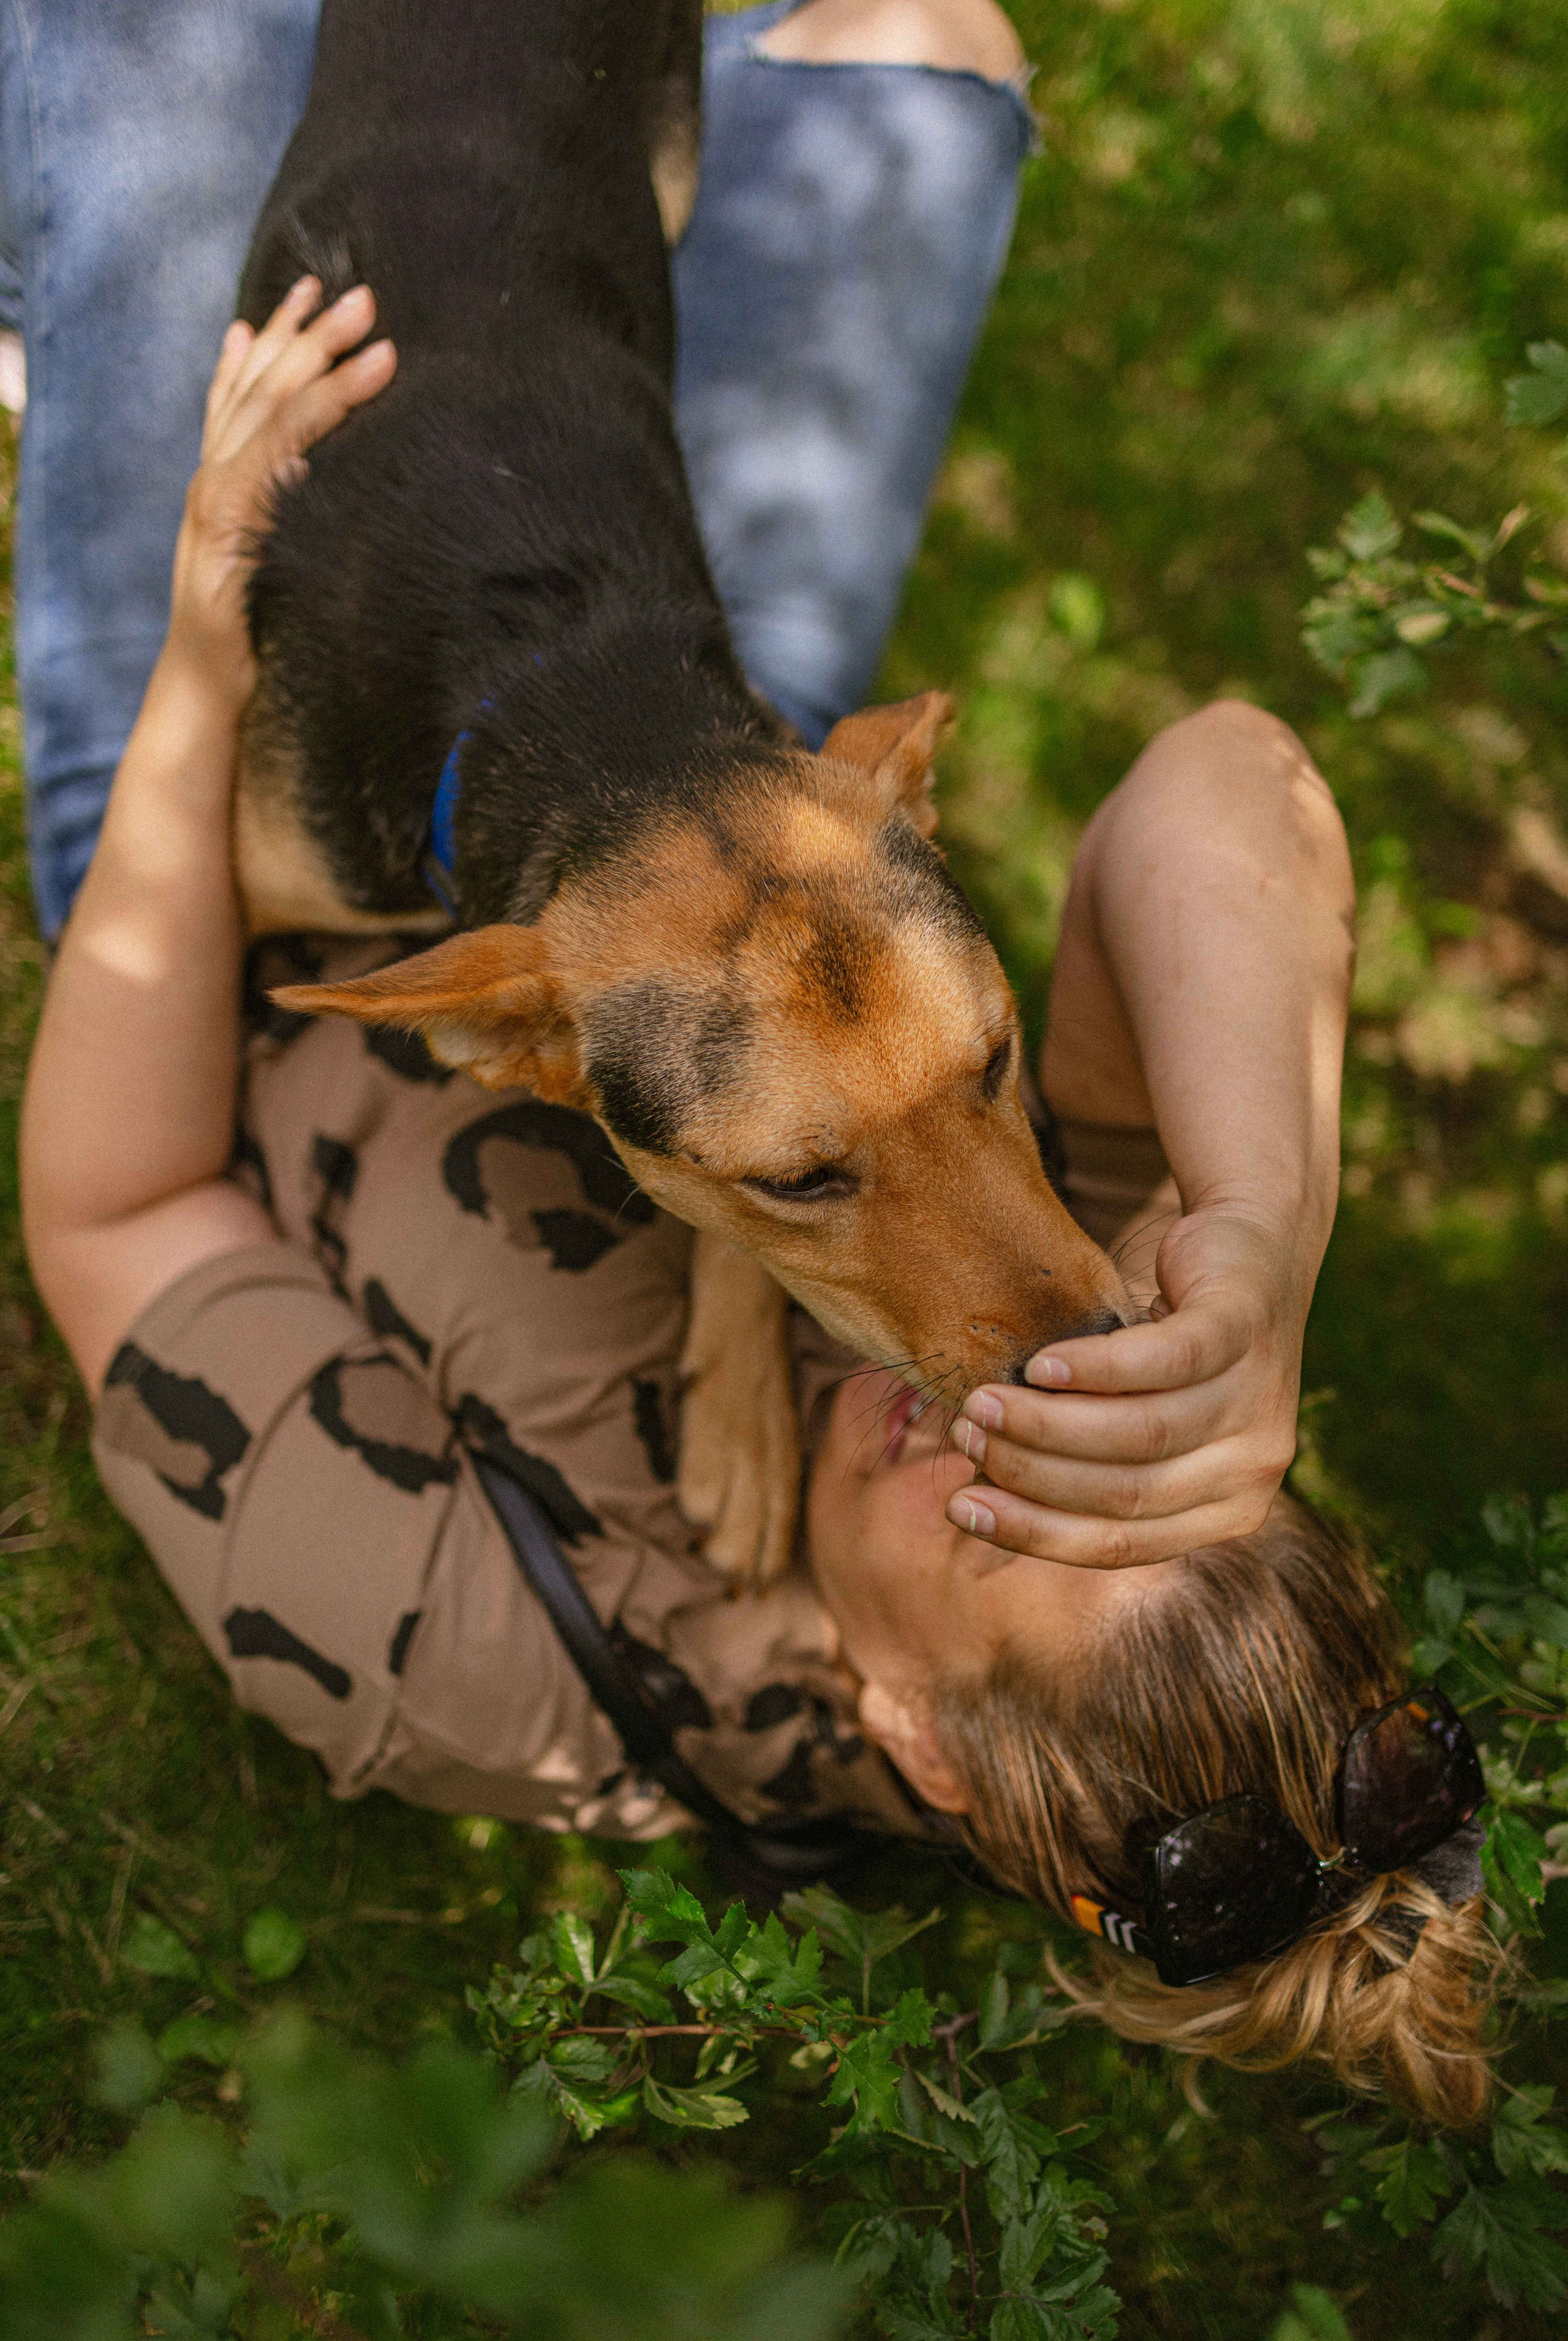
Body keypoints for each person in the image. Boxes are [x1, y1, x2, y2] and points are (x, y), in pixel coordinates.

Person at [21, 266, 1492, 2125]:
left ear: (921, 1740)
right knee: (927, 33)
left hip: (239, 839)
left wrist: (210, 642)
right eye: (1125, 1456)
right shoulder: (1084, 1312)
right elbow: (1227, 773)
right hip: (695, 773)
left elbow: (111, 1208)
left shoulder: (470, 1657)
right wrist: (1263, 1222)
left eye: (996, 1523)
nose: (1019, 1404)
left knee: (218, 146)